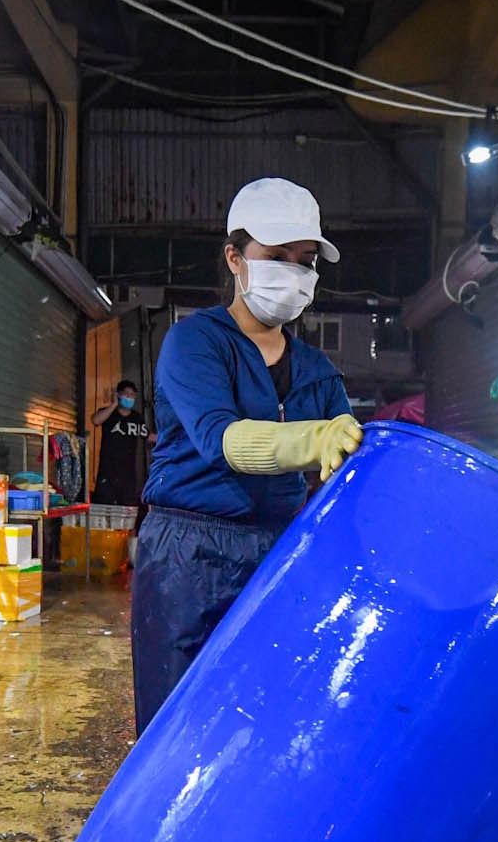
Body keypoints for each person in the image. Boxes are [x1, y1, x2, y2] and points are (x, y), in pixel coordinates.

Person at [132, 177, 363, 732]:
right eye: (276, 256)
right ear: (235, 258)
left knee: (266, 719)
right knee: (179, 722)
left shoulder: (317, 369)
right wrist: (314, 441)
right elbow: (222, 439)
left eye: (305, 260)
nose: (294, 271)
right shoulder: (196, 343)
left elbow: (345, 467)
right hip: (190, 552)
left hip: (279, 548)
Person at [90, 379, 151, 509]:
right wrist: (113, 405)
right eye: (126, 394)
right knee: (103, 509)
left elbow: (148, 436)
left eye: (132, 395)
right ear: (118, 395)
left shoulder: (137, 418)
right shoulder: (109, 414)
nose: (129, 397)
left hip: (128, 475)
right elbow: (95, 420)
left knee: (128, 510)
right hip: (107, 473)